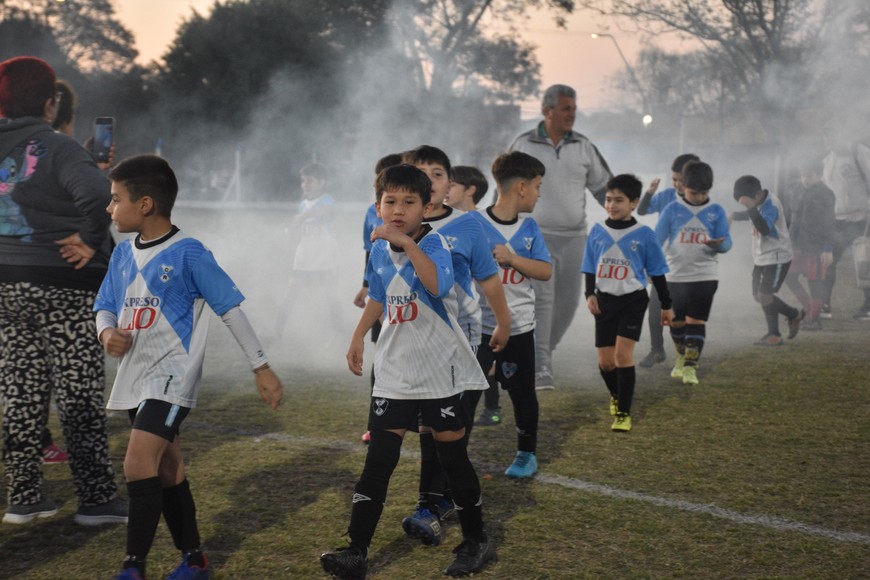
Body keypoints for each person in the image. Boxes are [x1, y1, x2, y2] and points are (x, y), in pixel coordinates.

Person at [95, 154, 283, 580]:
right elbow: (104, 306)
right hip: (135, 376)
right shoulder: (123, 255)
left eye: (115, 199)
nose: (110, 208)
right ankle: (194, 559)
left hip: (171, 376)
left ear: (145, 204)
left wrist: (261, 367)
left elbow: (230, 309)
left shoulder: (189, 253)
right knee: (167, 468)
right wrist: (108, 334)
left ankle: (132, 568)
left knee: (136, 463)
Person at [321, 164, 496, 579]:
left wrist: (404, 241)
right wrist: (358, 336)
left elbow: (435, 285)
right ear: (378, 204)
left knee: (452, 459)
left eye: (409, 202)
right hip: (395, 371)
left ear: (427, 207)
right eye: (390, 201)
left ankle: (476, 540)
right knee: (379, 462)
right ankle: (356, 551)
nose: (398, 209)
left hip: (439, 371)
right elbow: (379, 297)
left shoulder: (437, 246)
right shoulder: (381, 250)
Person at [0, 56, 126, 526]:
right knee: (78, 389)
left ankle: (24, 498)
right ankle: (95, 499)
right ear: (51, 103)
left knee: (21, 387)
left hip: (6, 286)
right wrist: (91, 239)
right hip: (61, 282)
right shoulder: (58, 145)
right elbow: (98, 197)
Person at [399, 145, 509, 547]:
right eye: (419, 172)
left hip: (462, 341)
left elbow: (489, 278)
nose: (429, 181)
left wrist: (504, 323)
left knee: (449, 430)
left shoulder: (469, 225)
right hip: (417, 343)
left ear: (450, 183)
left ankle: (436, 507)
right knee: (430, 427)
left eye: (438, 174)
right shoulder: (399, 223)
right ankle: (435, 503)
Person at [509, 84, 612, 390]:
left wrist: (622, 220)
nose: (572, 114)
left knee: (568, 304)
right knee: (543, 301)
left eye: (574, 108)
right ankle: (541, 367)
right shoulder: (523, 143)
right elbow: (505, 186)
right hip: (534, 237)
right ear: (547, 110)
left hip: (575, 238)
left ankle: (543, 350)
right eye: (566, 108)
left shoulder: (583, 146)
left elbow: (604, 188)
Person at [471, 151, 552, 478]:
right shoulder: (474, 223)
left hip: (519, 329)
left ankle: (525, 454)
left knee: (522, 394)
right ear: (521, 187)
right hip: (477, 330)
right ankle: (453, 448)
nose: (539, 193)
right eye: (537, 186)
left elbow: (545, 271)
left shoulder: (529, 228)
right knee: (466, 394)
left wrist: (511, 258)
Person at [582, 174, 673, 431]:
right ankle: (616, 394)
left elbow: (657, 272)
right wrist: (589, 294)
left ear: (634, 202)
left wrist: (666, 305)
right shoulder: (598, 231)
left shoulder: (644, 234)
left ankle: (623, 412)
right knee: (605, 363)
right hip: (604, 301)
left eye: (618, 200)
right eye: (609, 200)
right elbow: (589, 266)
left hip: (633, 300)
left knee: (623, 356)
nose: (611, 205)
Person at [654, 161, 731, 385]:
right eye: (693, 193)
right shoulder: (672, 210)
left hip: (705, 275)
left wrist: (719, 245)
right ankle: (680, 356)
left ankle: (691, 366)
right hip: (675, 275)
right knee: (676, 322)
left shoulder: (716, 212)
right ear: (683, 187)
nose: (698, 197)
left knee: (695, 320)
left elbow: (727, 244)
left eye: (703, 193)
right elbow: (656, 241)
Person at [446, 165, 502, 426]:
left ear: (471, 190)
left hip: (482, 312)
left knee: (481, 367)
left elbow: (497, 265)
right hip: (453, 311)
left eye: (452, 184)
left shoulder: (481, 224)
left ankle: (491, 408)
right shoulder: (445, 221)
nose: (446, 189)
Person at [353, 153, 402, 445]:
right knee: (382, 355)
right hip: (381, 291)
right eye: (378, 175)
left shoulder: (408, 211)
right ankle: (376, 419)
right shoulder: (372, 212)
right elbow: (371, 254)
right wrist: (365, 285)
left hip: (407, 298)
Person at [636, 152, 699, 368]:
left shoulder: (700, 203)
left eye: (680, 180)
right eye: (673, 180)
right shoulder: (666, 196)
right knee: (654, 312)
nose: (677, 184)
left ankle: (684, 356)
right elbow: (643, 211)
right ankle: (657, 350)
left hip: (686, 270)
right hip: (663, 266)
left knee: (677, 318)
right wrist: (649, 193)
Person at [731, 175, 804, 346]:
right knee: (758, 295)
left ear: (757, 195)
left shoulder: (772, 204)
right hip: (761, 256)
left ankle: (776, 332)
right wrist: (734, 215)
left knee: (765, 295)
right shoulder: (757, 202)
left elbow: (763, 228)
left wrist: (750, 208)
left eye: (746, 202)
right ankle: (792, 316)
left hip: (777, 256)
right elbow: (752, 215)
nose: (747, 206)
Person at [275, 162, 343, 339]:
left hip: (326, 257)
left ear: (322, 182)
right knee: (290, 293)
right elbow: (300, 231)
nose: (305, 184)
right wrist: (290, 231)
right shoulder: (302, 204)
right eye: (303, 181)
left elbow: (328, 210)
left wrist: (303, 216)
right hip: (305, 257)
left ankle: (339, 334)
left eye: (310, 180)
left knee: (331, 297)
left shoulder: (326, 200)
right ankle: (277, 332)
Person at [820, 122, 870, 319]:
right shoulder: (828, 161)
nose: (830, 143)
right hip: (836, 222)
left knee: (863, 263)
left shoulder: (860, 154)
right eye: (827, 140)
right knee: (827, 261)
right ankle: (824, 304)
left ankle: (868, 307)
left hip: (861, 219)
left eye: (833, 138)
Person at [782, 157, 836, 330]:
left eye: (810, 176)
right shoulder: (795, 190)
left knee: (816, 281)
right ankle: (808, 308)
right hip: (795, 244)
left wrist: (827, 248)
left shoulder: (826, 194)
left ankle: (813, 319)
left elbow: (830, 223)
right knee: (788, 276)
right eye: (803, 175)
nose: (806, 179)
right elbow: (790, 217)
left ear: (819, 175)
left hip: (816, 246)